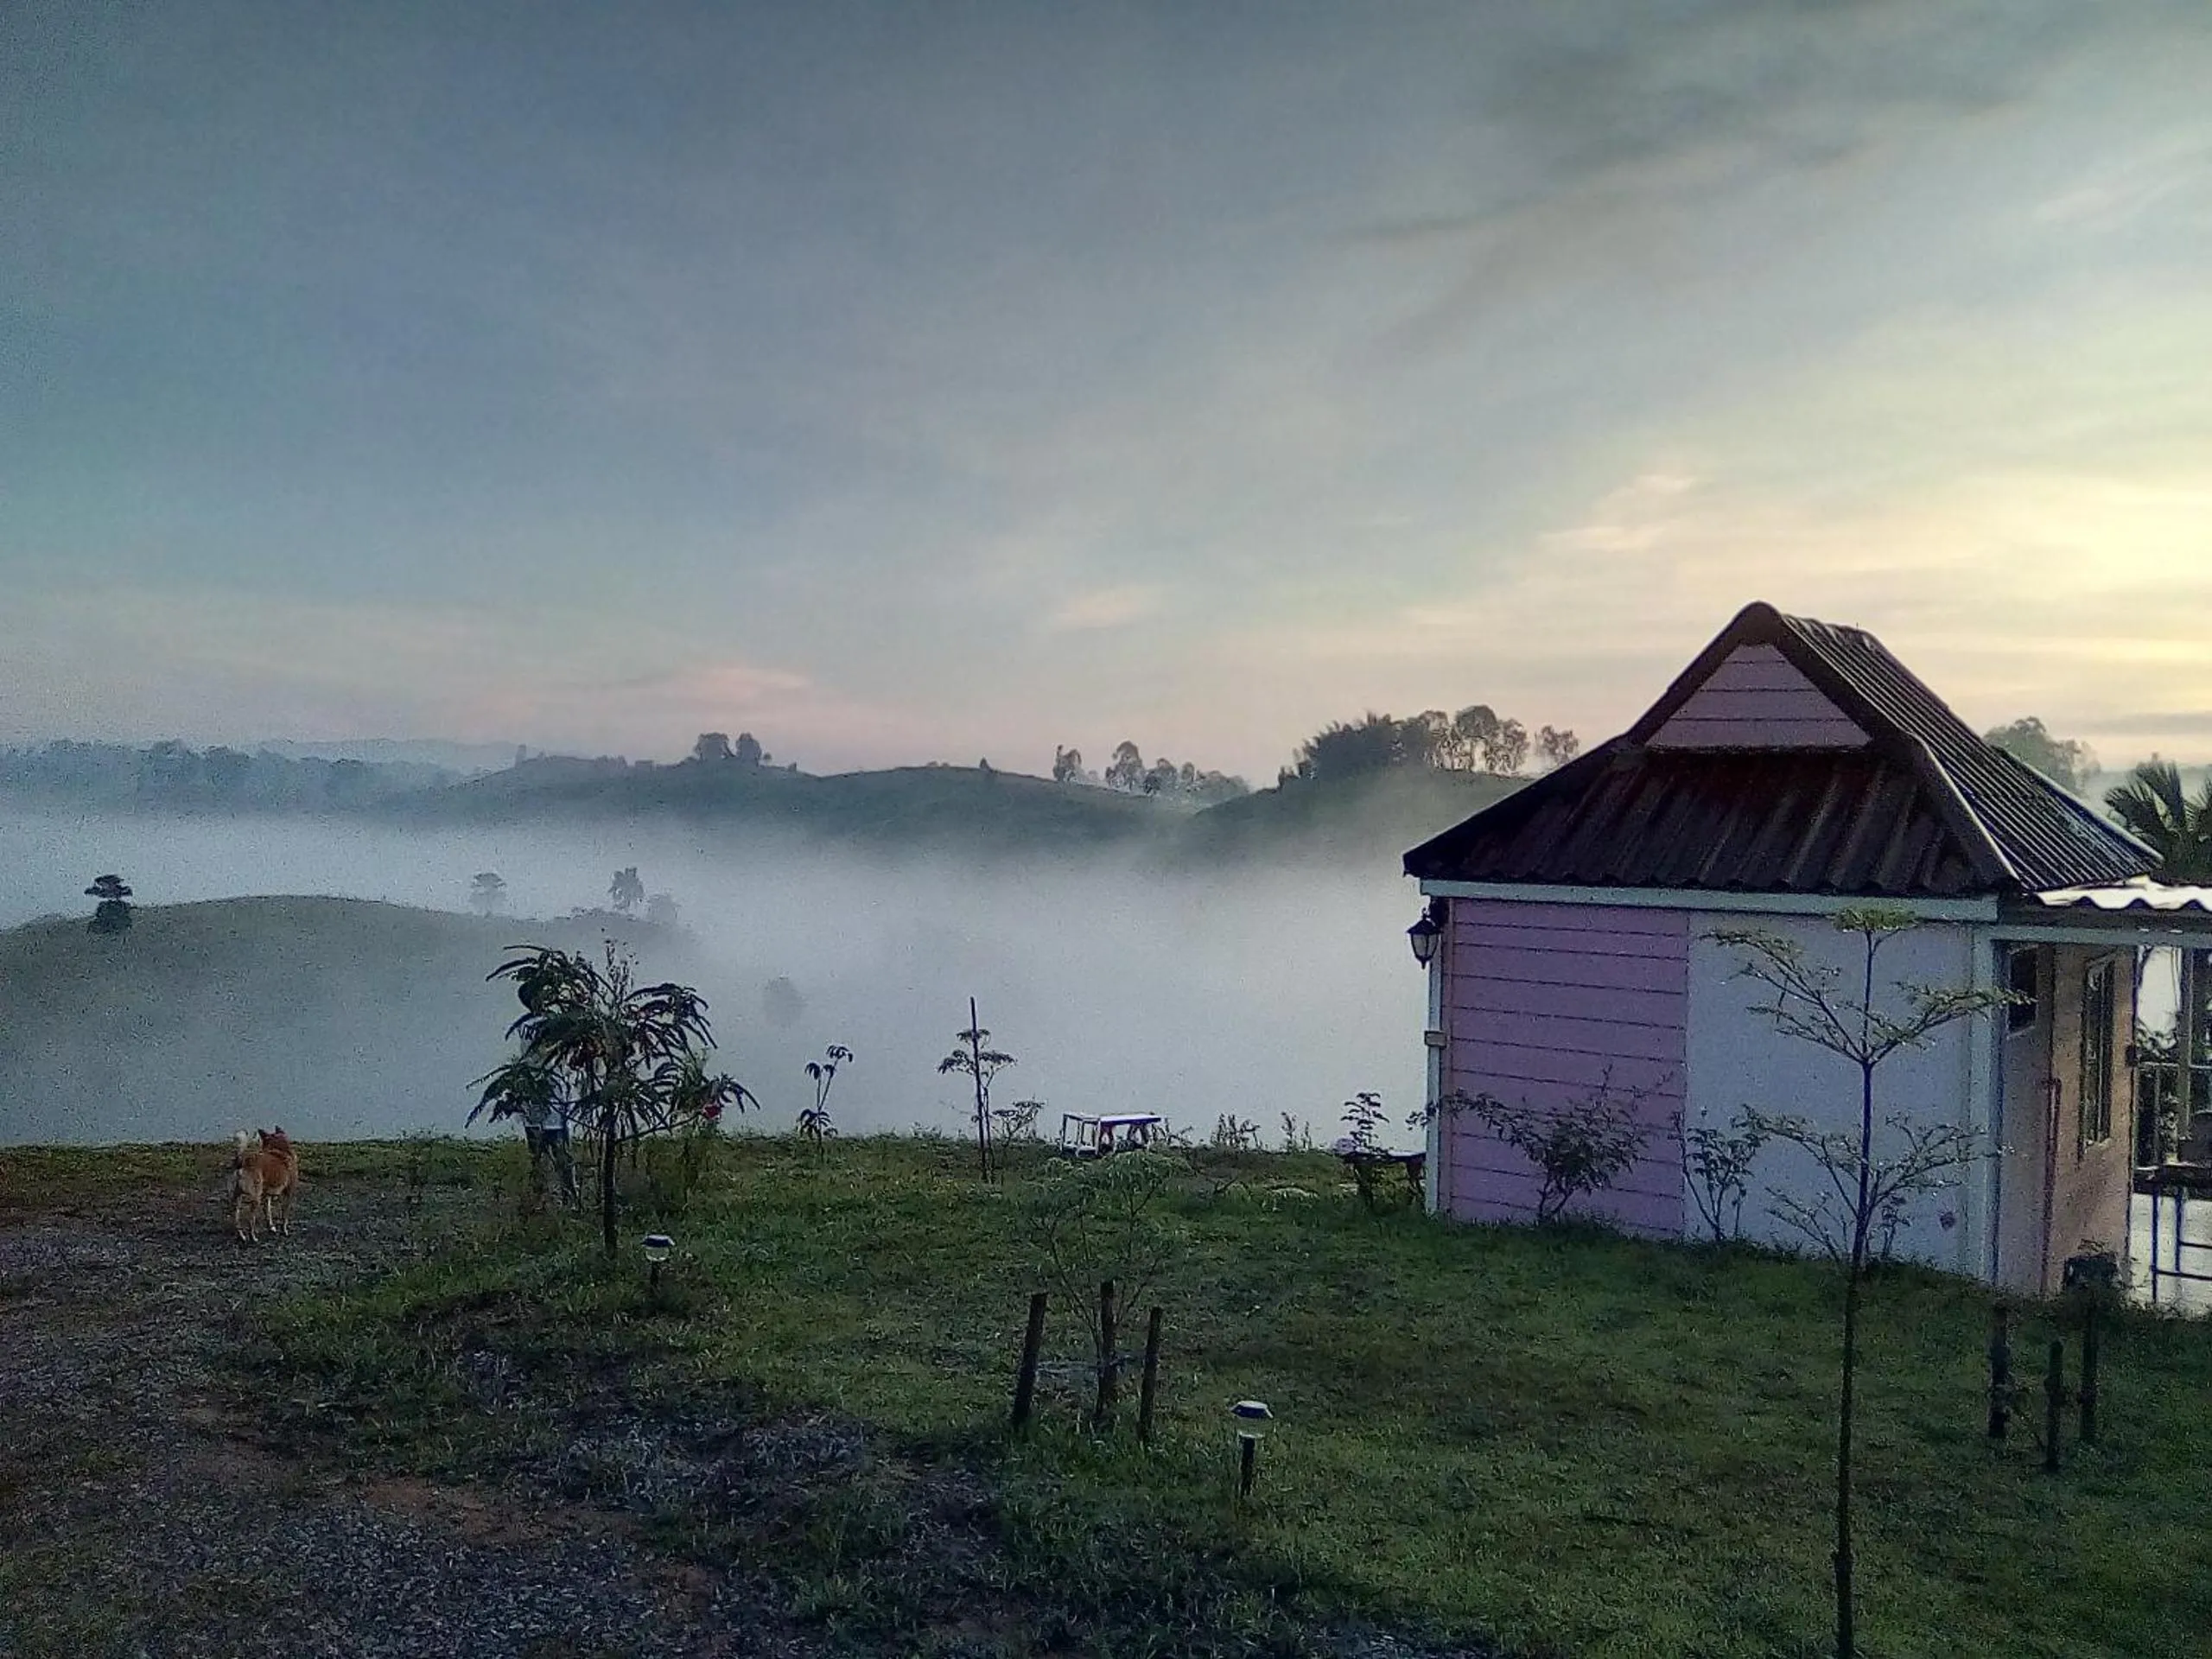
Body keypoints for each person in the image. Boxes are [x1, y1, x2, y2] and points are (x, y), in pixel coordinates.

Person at [521, 1091, 580, 1207]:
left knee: (563, 1162)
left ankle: (571, 1198)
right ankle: (540, 1200)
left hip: (557, 1123)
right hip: (534, 1123)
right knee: (537, 1163)